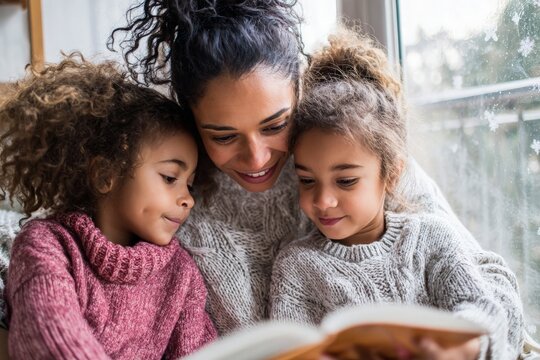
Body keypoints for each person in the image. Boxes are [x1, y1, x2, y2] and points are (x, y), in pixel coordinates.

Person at [0, 0, 523, 348]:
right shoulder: (169, 200)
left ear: (299, 93)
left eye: (276, 124)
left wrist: (473, 346)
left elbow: (490, 280)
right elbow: (74, 259)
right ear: (190, 120)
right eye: (223, 136)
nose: (256, 158)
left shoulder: (347, 156)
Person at [269, 29, 524, 359]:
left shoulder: (430, 237)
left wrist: (459, 348)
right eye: (307, 181)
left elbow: (481, 308)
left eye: (346, 181)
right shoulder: (295, 266)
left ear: (391, 175)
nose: (323, 201)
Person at [0, 56, 216, 359]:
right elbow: (50, 341)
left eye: (190, 184)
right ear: (106, 175)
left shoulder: (182, 274)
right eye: (170, 177)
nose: (188, 199)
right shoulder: (47, 246)